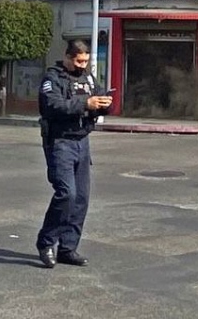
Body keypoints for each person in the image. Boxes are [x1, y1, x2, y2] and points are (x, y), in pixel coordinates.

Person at [36, 39, 113, 269]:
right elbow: (53, 106)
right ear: (68, 57)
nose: (83, 65)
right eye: (79, 60)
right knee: (66, 194)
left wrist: (105, 103)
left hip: (82, 141)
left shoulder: (88, 78)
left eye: (86, 61)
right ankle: (46, 241)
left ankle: (68, 248)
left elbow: (98, 98)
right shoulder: (53, 79)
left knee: (81, 198)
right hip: (61, 142)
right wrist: (85, 104)